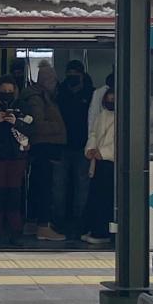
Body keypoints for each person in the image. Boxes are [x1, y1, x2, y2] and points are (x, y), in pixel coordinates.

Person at [0, 75, 31, 246]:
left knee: (14, 193)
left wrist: (16, 122)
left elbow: (32, 128)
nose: (7, 94)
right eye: (4, 91)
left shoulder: (23, 107)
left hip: (16, 157)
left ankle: (15, 231)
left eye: (10, 91)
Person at [21, 60, 67, 241]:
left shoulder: (42, 96)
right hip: (43, 150)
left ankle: (33, 223)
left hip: (43, 150)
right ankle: (43, 226)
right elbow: (36, 124)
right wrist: (58, 127)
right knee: (44, 188)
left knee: (38, 187)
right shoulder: (37, 98)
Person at [54, 60, 94, 231]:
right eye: (69, 72)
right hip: (62, 146)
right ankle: (58, 220)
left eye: (75, 73)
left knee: (82, 186)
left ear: (82, 74)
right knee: (58, 186)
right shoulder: (59, 93)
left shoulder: (91, 94)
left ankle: (80, 220)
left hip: (83, 147)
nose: (72, 76)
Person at [82, 87, 115, 245]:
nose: (111, 101)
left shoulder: (126, 117)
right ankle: (95, 229)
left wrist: (103, 152)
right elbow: (93, 133)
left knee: (106, 200)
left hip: (111, 163)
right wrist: (90, 149)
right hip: (99, 162)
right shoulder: (102, 115)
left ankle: (102, 232)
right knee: (96, 197)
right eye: (109, 98)